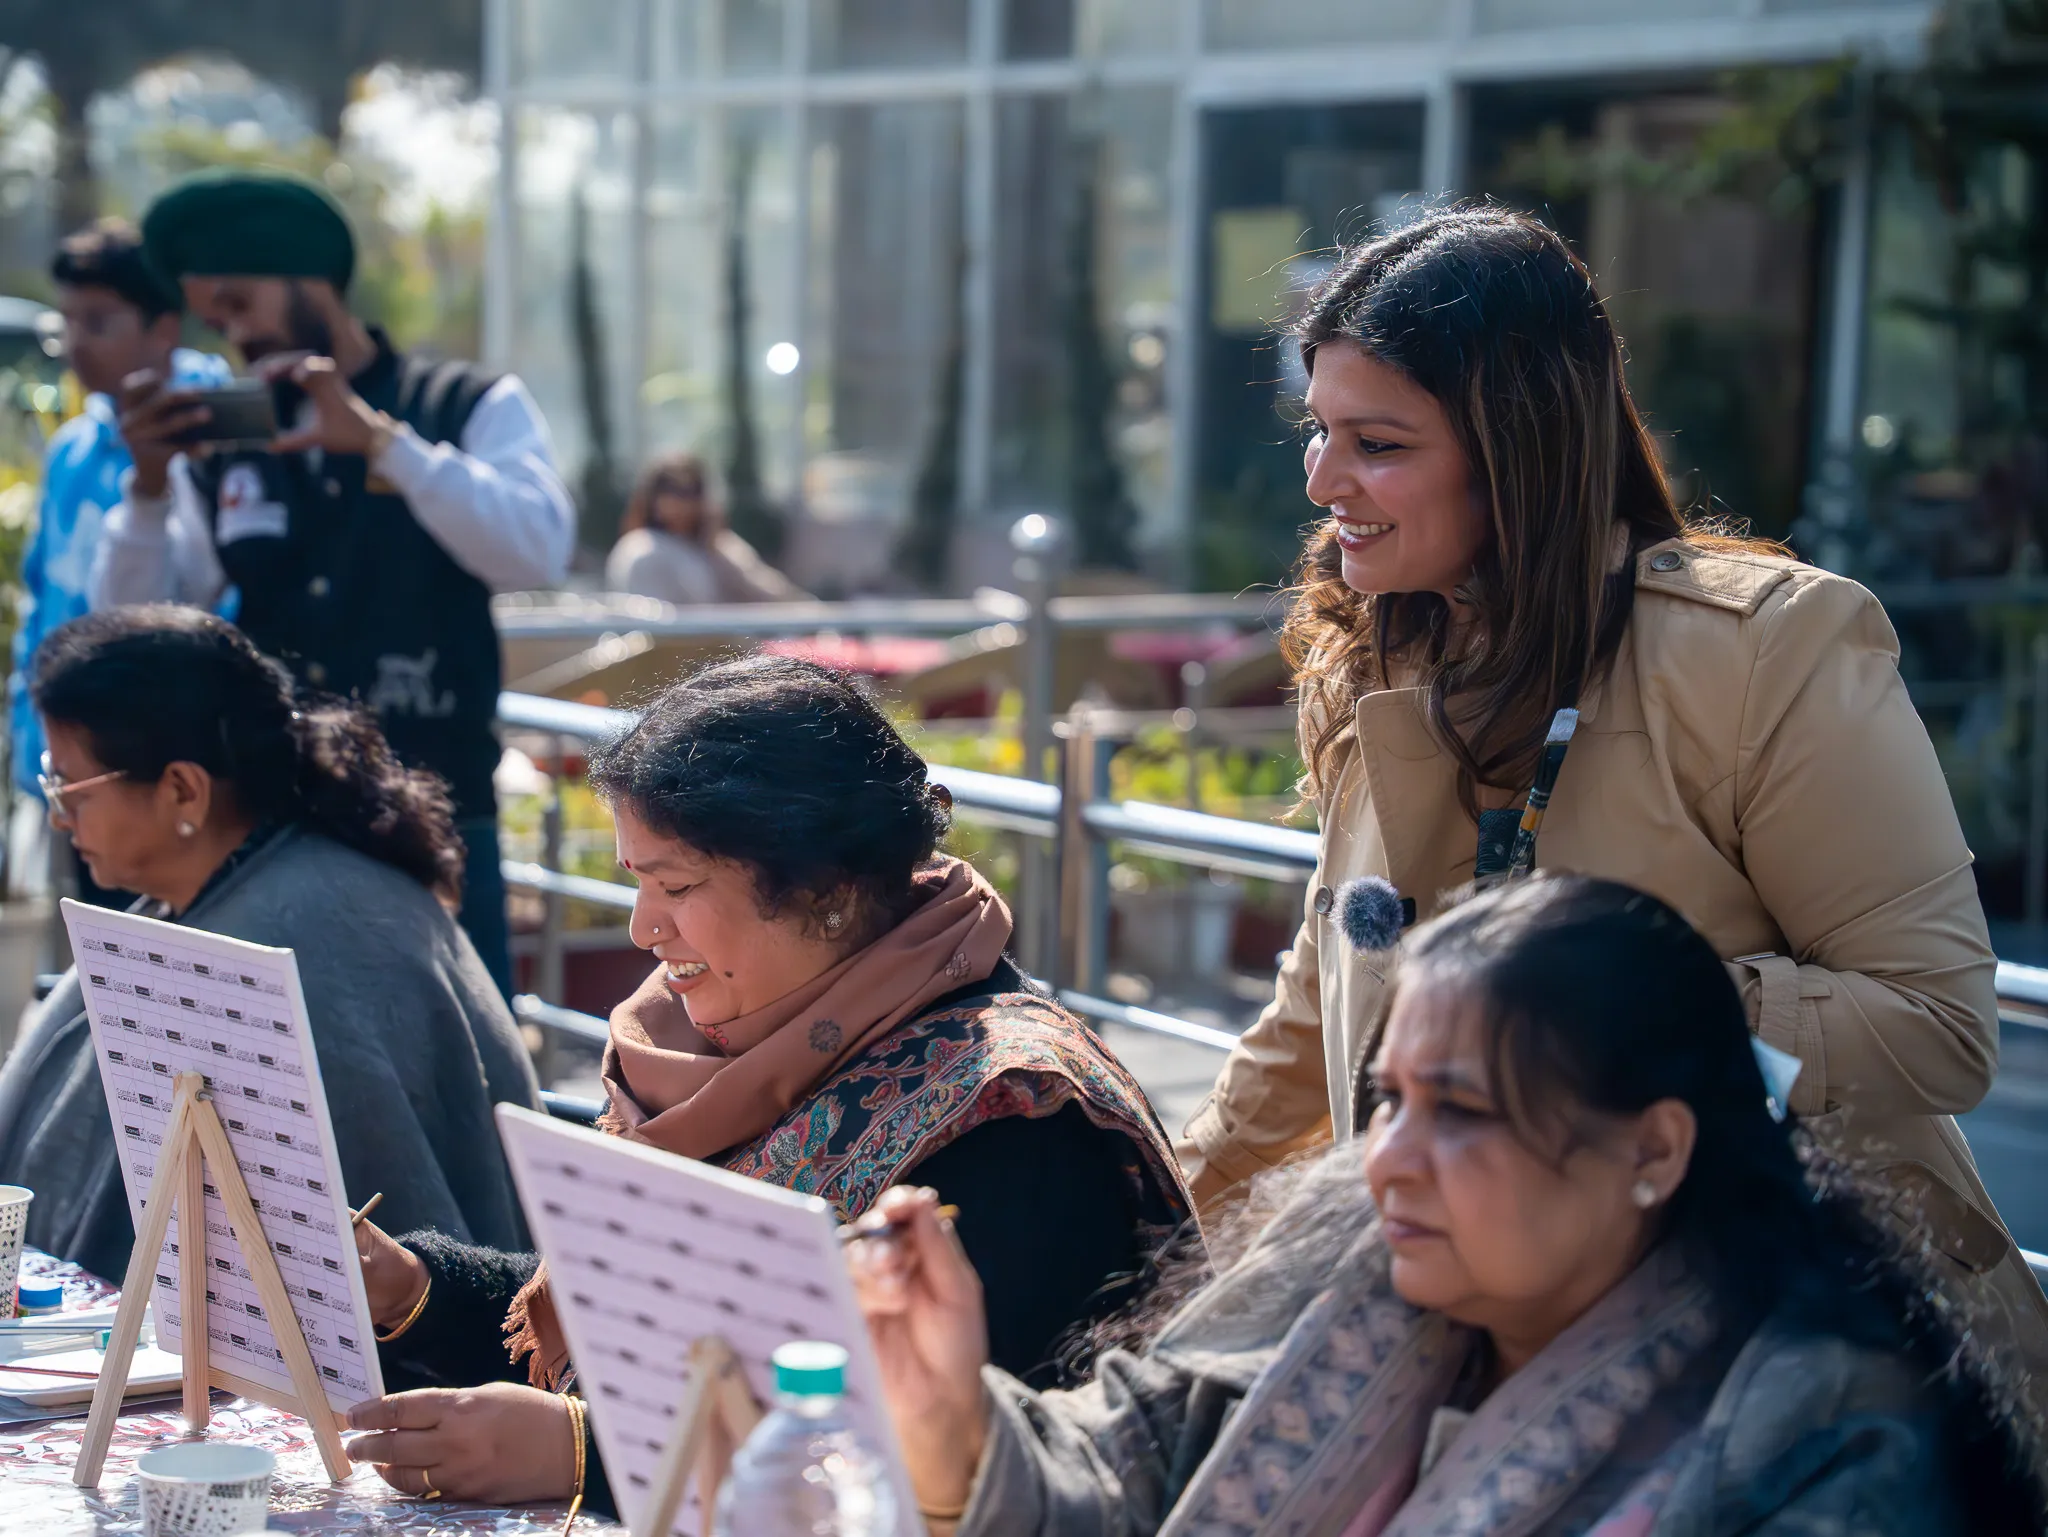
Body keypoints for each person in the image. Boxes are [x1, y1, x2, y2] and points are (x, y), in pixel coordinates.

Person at [1171, 205, 2048, 1381]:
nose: (1324, 479)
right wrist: (1152, 1218)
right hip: (1492, 1328)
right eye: (1316, 430)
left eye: (1376, 443)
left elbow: (1936, 1023)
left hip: (1791, 1349)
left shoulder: (1765, 648)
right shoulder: (1371, 652)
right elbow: (1307, 1016)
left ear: (1520, 449)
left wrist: (1607, 1027)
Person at [857, 875, 2048, 1536]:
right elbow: (1126, 1468)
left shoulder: (1822, 1437)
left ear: (1653, 1149)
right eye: (1387, 1101)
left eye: (1463, 1112)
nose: (1387, 1161)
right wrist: (949, 1421)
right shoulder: (1356, 1272)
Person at [338, 655, 1192, 1512]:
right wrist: (414, 1287)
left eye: (676, 884)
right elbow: (668, 1333)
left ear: (826, 890)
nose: (644, 926)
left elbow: (960, 1461)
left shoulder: (1017, 1118)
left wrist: (583, 1454)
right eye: (637, 881)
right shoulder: (725, 1050)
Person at [89, 169, 578, 999]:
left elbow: (535, 550)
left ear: (311, 281)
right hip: (283, 829)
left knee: (465, 1072)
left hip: (441, 828)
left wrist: (386, 446)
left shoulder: (462, 404)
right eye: (216, 319)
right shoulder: (232, 440)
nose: (233, 337)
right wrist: (144, 486)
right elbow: (138, 618)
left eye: (242, 306)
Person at [0, 608, 541, 1284]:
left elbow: (371, 1289)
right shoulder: (214, 897)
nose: (58, 815)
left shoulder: (303, 945)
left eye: (71, 788)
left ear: (182, 789)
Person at [11, 219, 230, 903]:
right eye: (65, 324)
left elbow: (180, 603)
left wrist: (157, 479)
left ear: (165, 326)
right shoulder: (72, 450)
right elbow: (39, 599)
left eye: (98, 322)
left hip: (156, 786)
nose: (76, 345)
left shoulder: (216, 439)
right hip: (73, 776)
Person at [604, 451, 808, 604]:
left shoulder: (716, 542)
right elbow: (659, 627)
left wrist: (715, 548)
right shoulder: (643, 549)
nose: (681, 502)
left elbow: (768, 591)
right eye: (671, 491)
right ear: (651, 497)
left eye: (692, 492)